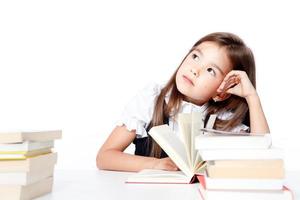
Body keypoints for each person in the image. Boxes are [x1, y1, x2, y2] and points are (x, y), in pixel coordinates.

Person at [96, 32, 270, 172]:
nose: (195, 69)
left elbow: (264, 164)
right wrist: (154, 165)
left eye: (210, 70)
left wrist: (251, 97)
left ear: (224, 91)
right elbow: (105, 157)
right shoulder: (151, 100)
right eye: (195, 57)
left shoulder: (225, 120)